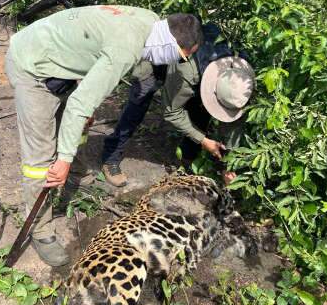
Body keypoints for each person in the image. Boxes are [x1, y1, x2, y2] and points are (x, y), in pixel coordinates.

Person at [5, 5, 203, 266]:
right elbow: (78, 104)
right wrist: (62, 159)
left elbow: (95, 56)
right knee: (40, 158)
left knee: (78, 121)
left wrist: (89, 101)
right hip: (33, 67)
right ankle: (41, 230)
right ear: (169, 46)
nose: (182, 63)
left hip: (58, 60)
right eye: (181, 58)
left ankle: (76, 175)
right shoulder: (127, 48)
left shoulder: (151, 22)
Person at [100, 22, 255, 187]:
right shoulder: (187, 71)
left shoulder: (241, 78)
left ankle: (188, 157)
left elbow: (233, 123)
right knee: (139, 102)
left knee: (200, 109)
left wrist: (228, 163)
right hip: (159, 57)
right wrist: (204, 141)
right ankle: (111, 156)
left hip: (198, 64)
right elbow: (172, 112)